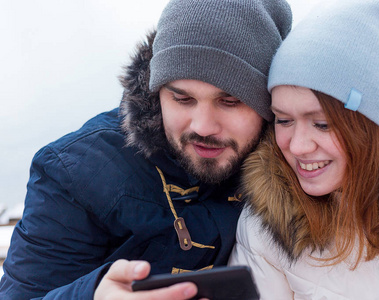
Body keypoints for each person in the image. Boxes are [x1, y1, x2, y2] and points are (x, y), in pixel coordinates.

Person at [0, 0, 292, 299]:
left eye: (230, 102)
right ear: (156, 92)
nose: (203, 127)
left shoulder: (297, 160)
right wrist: (91, 295)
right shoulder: (76, 172)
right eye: (182, 98)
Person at [229, 0, 379, 299]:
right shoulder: (267, 230)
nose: (297, 146)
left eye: (321, 124)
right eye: (284, 120)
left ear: (374, 125)